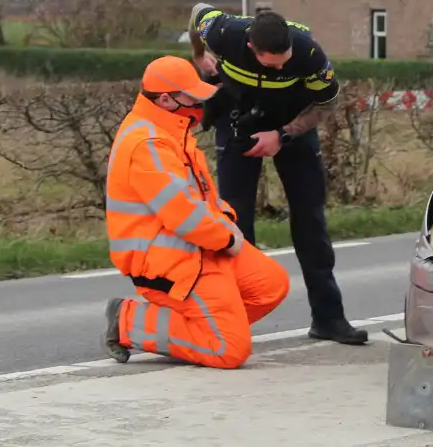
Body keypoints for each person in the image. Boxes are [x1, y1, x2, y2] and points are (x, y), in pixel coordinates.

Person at [186, 3, 368, 345]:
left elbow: (327, 103)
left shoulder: (309, 53)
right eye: (273, 63)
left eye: (285, 61)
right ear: (252, 49)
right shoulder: (226, 32)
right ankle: (234, 324)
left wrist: (283, 135)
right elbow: (197, 12)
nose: (282, 66)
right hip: (240, 118)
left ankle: (329, 318)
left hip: (293, 125)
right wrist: (199, 56)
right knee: (235, 223)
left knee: (310, 220)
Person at [101, 55, 291, 368]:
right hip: (170, 260)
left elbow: (203, 194)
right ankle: (129, 321)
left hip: (200, 243)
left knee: (270, 286)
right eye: (191, 97)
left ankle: (203, 327)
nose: (200, 103)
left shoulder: (173, 129)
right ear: (165, 99)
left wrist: (226, 223)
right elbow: (181, 212)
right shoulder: (147, 143)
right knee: (230, 351)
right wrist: (227, 240)